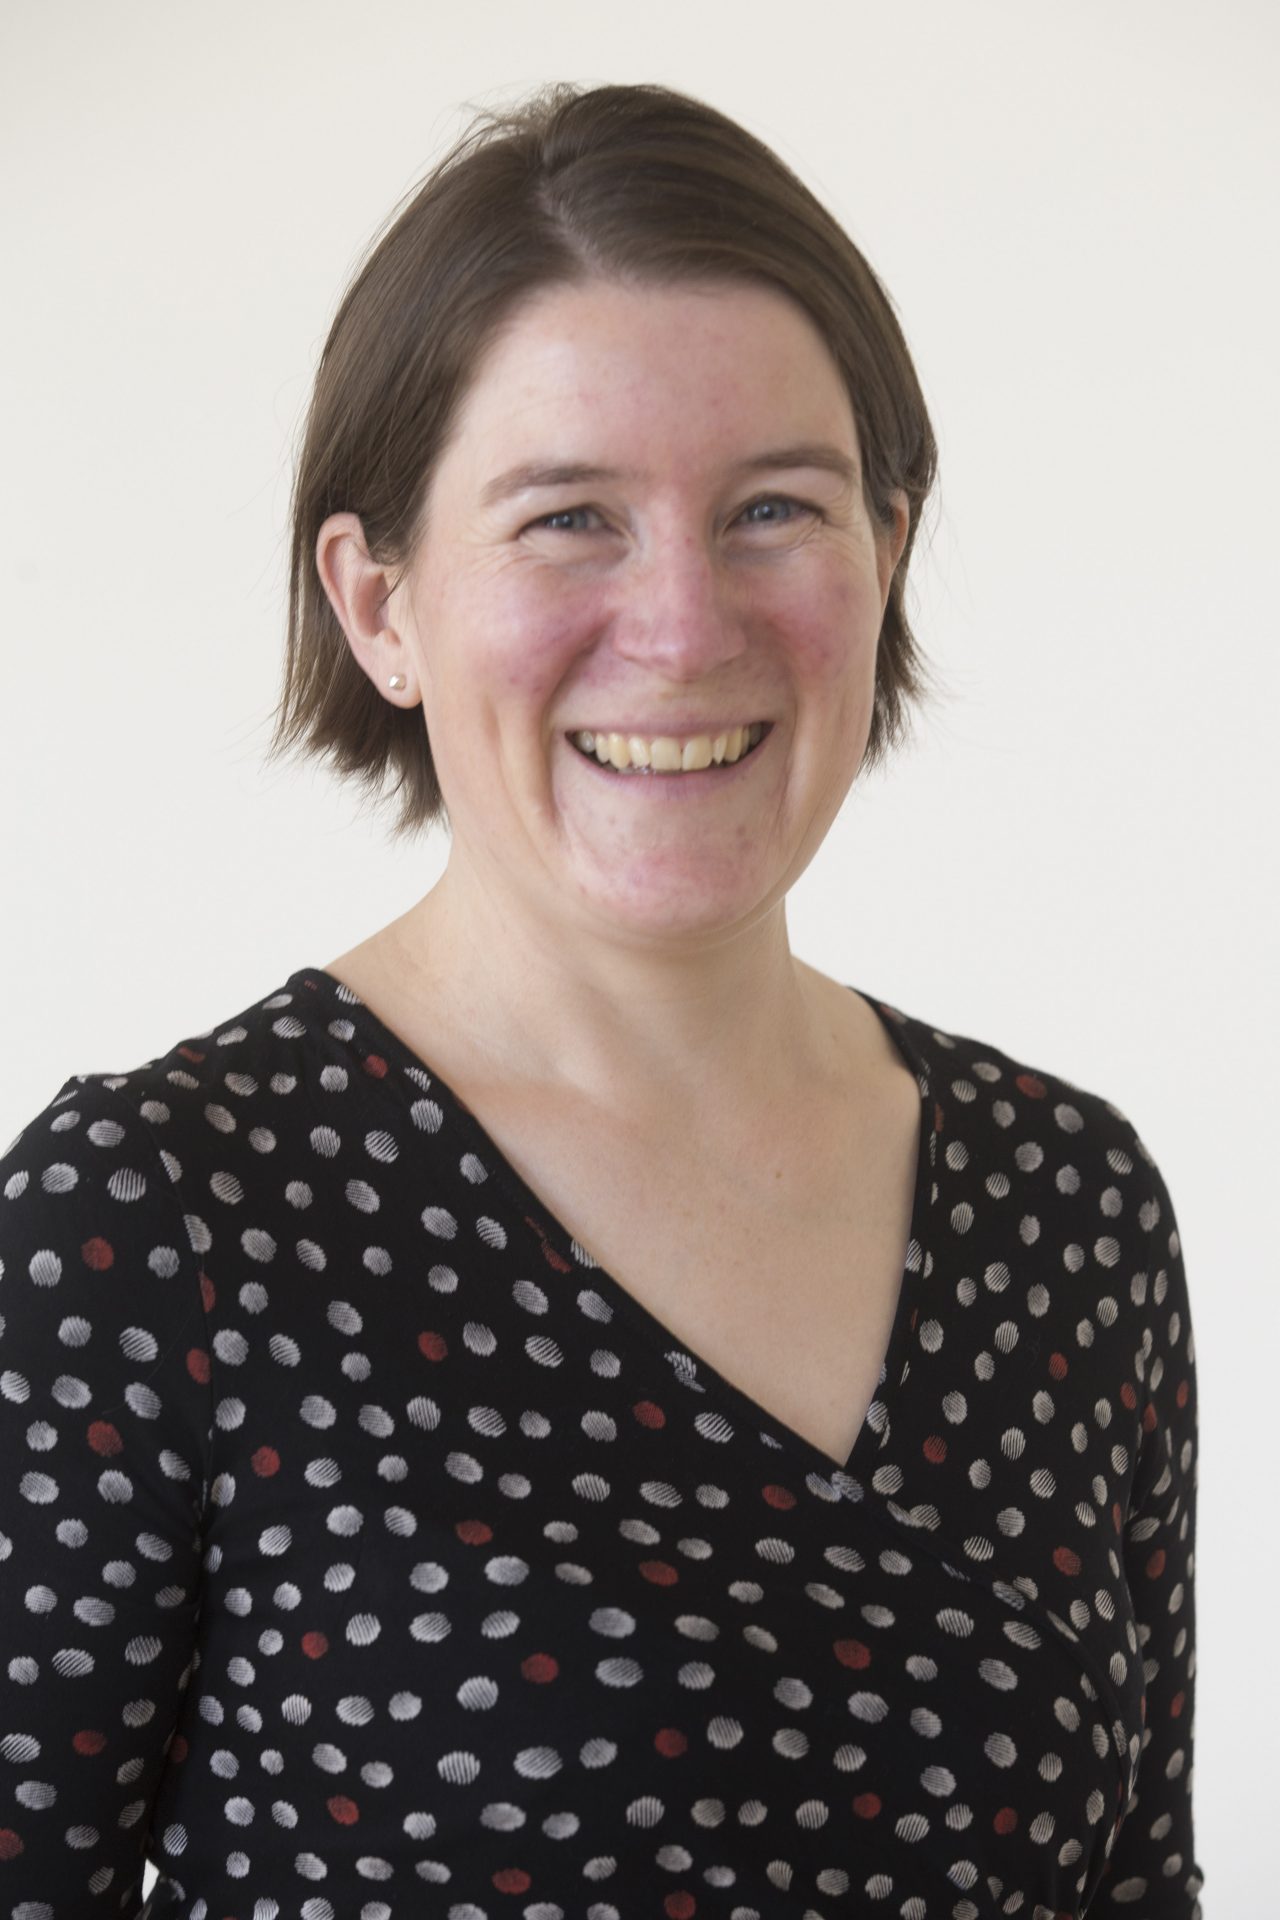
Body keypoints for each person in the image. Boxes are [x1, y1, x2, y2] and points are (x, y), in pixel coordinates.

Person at [0, 81, 1203, 1920]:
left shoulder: (1070, 1204)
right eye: (569, 518)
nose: (684, 628)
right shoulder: (155, 1223)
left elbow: (1134, 1888)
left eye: (773, 509)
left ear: (886, 552)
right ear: (379, 605)